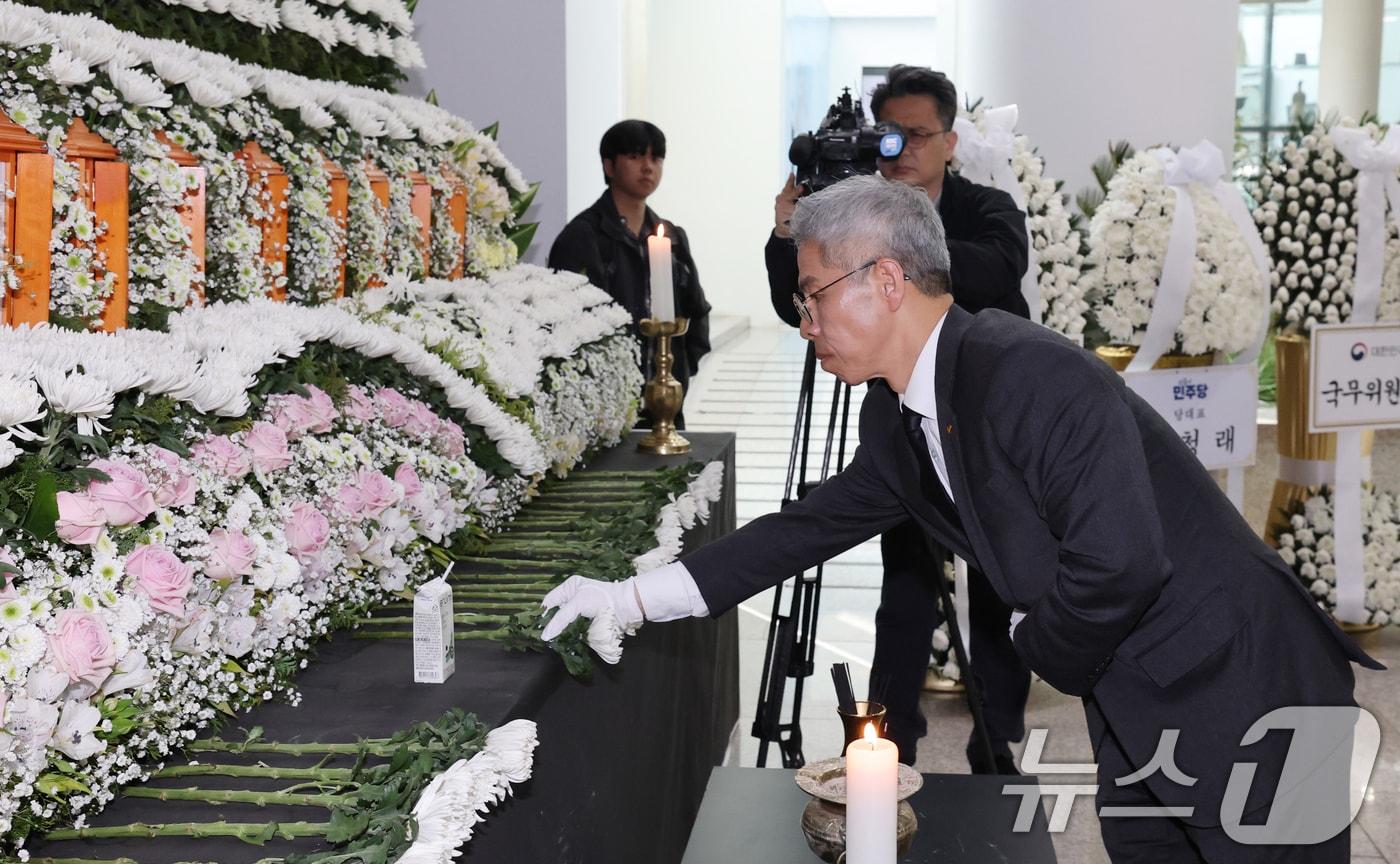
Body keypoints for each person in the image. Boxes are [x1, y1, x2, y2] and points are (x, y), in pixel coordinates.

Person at [542, 175, 1380, 863]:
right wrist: (632, 599)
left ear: (887, 280)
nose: (806, 326)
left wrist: (1028, 643)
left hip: (1247, 683)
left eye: (812, 298)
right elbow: (804, 528)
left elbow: (1122, 564)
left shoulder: (1028, 374)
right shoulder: (897, 412)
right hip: (1138, 691)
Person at [766, 65, 1031, 771]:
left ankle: (996, 736)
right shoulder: (850, 218)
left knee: (1003, 584)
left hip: (989, 426)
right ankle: (888, 743)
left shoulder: (988, 206)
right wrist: (790, 229)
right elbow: (789, 298)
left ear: (950, 139)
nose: (902, 151)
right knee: (907, 586)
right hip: (904, 419)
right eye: (889, 136)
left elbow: (995, 270)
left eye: (917, 135)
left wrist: (896, 230)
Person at [549, 120, 711, 426]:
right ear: (609, 166)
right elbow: (561, 324)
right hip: (602, 409)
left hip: (663, 406)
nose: (648, 167)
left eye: (656, 158)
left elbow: (696, 309)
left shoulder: (671, 237)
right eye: (636, 157)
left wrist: (677, 373)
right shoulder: (582, 236)